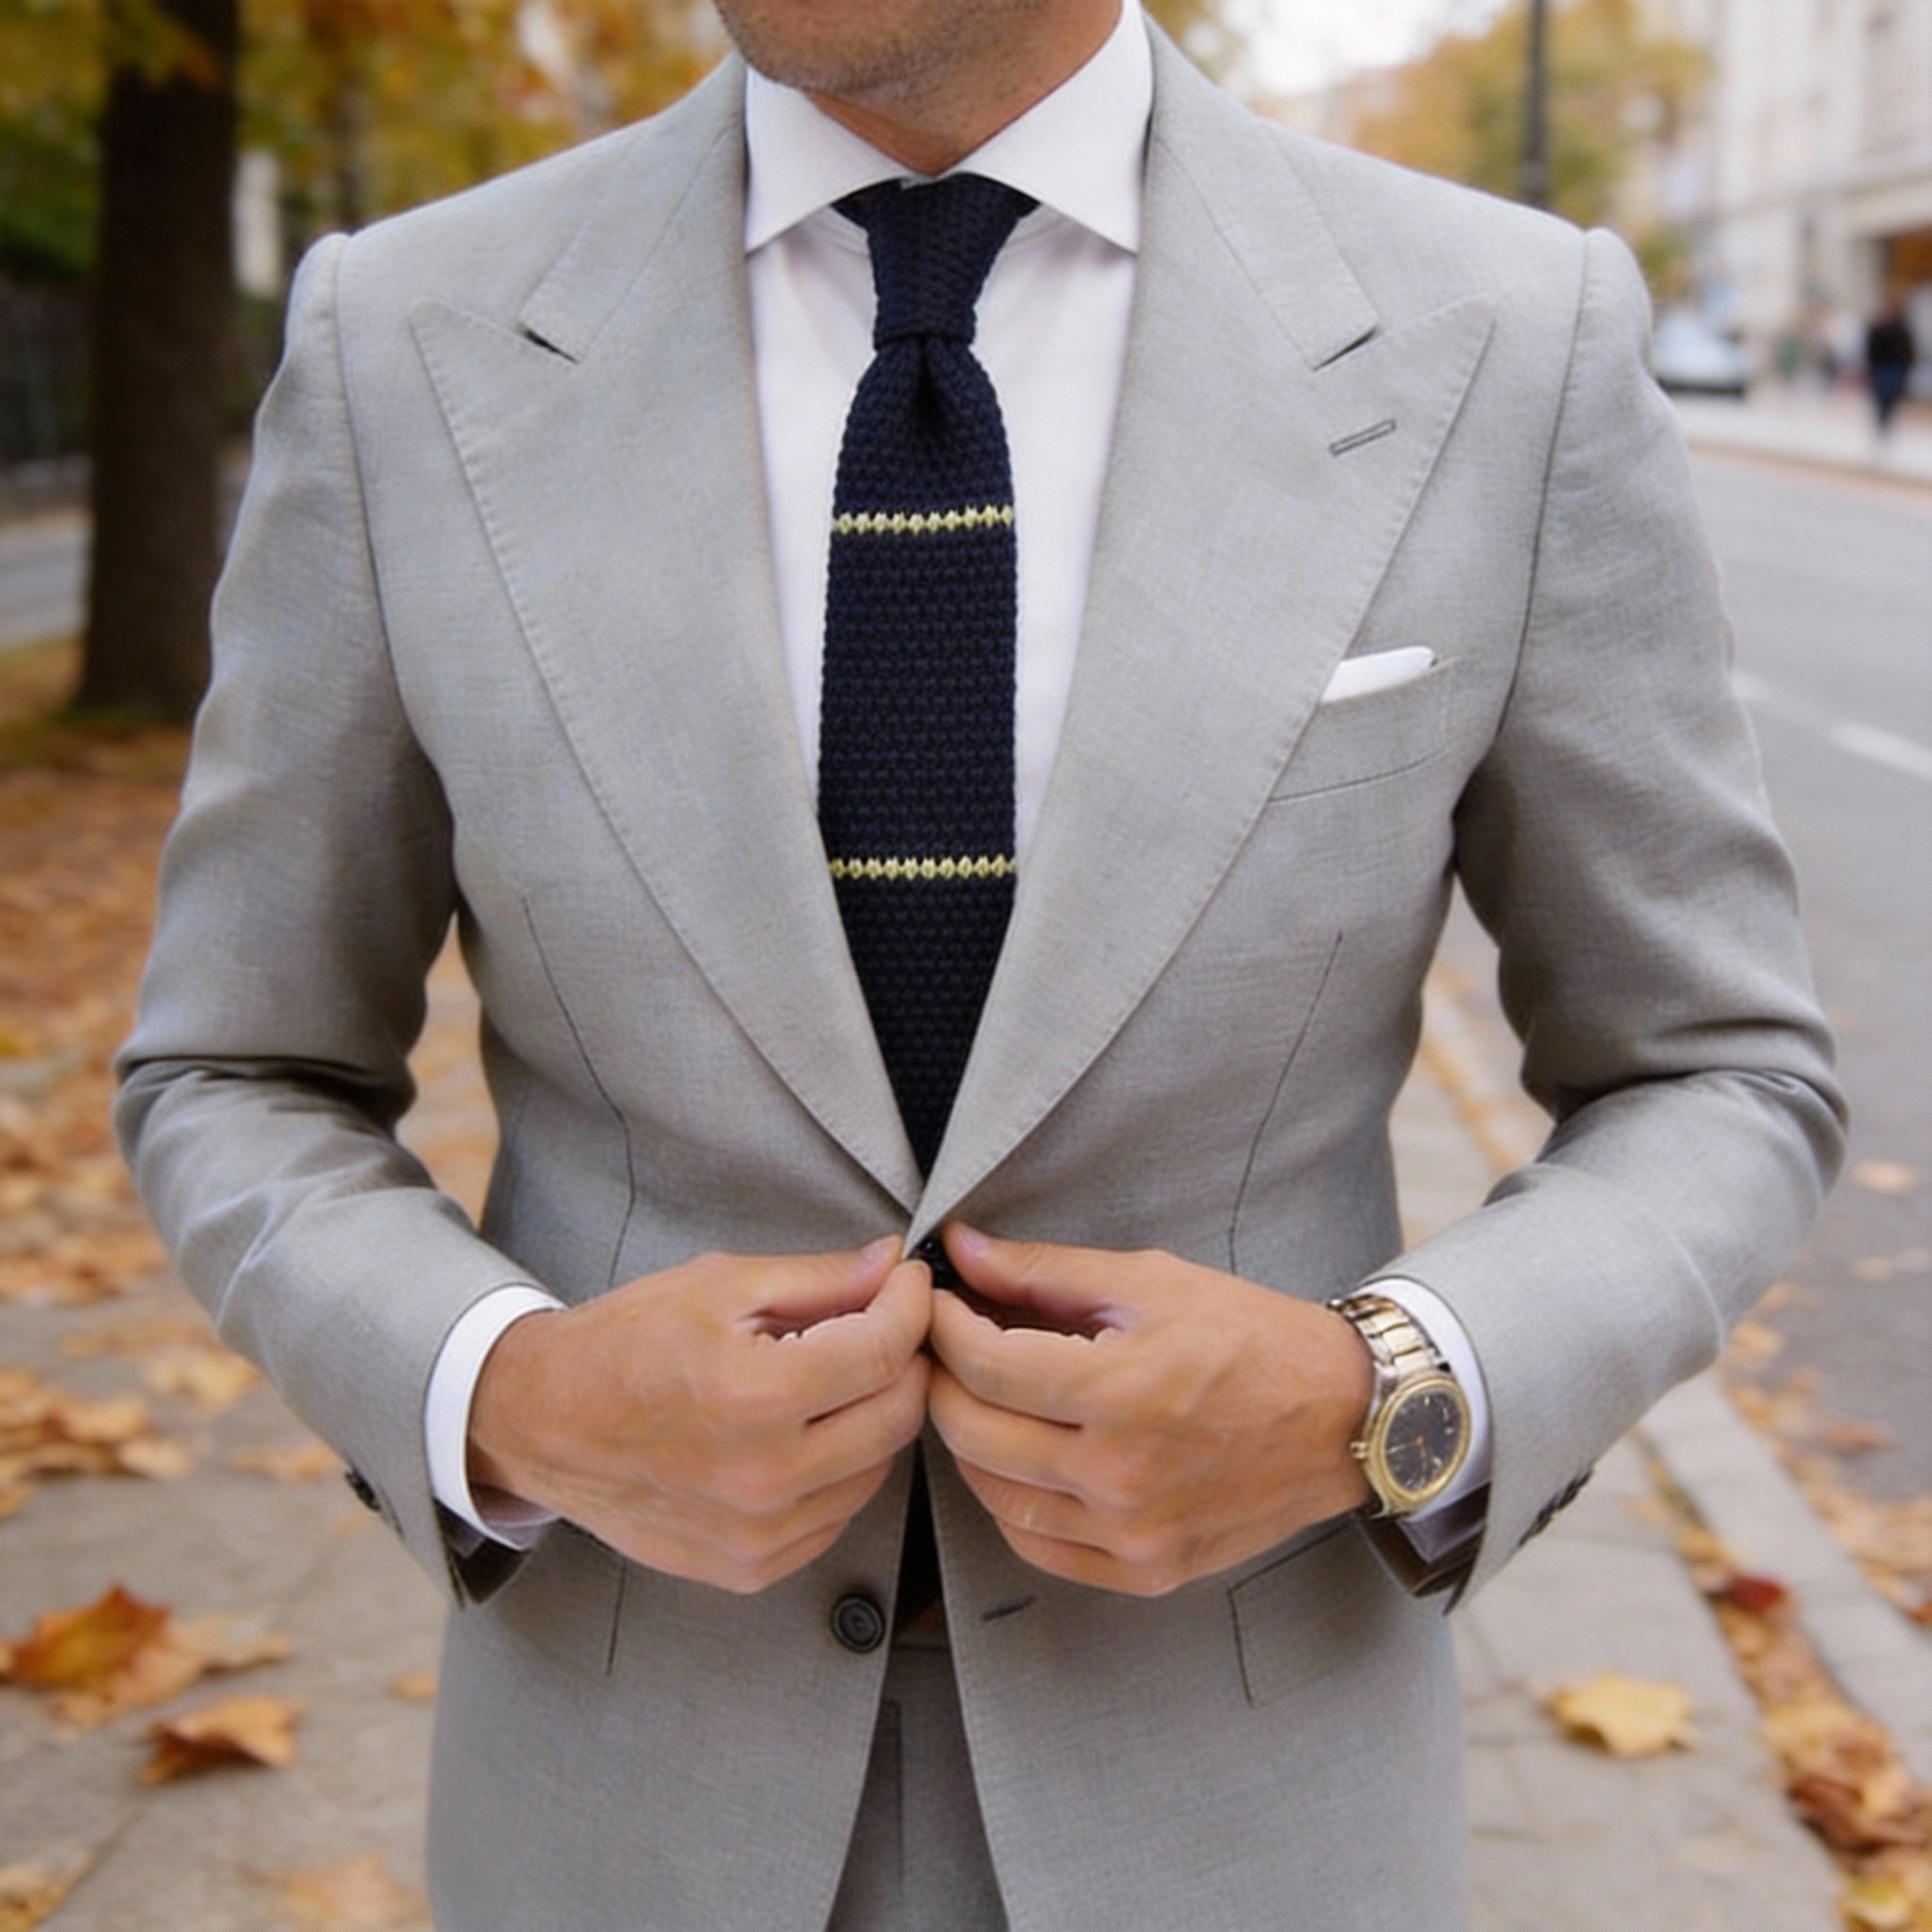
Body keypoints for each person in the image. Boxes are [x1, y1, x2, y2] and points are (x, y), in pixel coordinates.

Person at [116, 2, 1844, 1927]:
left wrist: (1387, 1394)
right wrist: (502, 1393)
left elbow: (1716, 1068)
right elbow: (235, 1064)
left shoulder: (1506, 339)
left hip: (1248, 1805)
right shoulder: (404, 342)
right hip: (626, 1803)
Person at [1866, 290, 1918, 434]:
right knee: (1882, 398)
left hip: (1895, 368)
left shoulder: (1901, 328)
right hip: (1882, 368)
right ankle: (1882, 426)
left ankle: (1885, 425)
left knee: (1890, 398)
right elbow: (1872, 349)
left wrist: (1907, 363)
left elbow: (1907, 349)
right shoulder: (1878, 328)